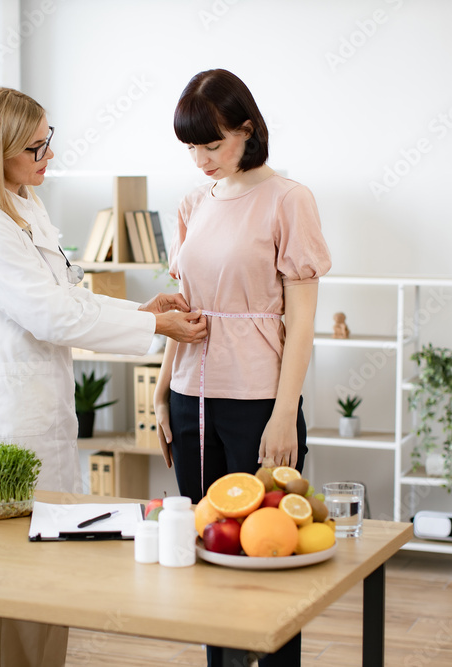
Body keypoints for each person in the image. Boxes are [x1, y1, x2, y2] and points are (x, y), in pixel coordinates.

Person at [0, 86, 207, 667]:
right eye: (36, 148)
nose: (49, 158)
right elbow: (52, 316)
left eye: (48, 143)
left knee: (47, 576)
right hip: (4, 423)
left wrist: (144, 312)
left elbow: (69, 294)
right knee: (2, 585)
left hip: (45, 412)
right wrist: (157, 329)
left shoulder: (23, 205)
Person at [153, 69, 332, 667]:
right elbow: (184, 310)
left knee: (270, 552)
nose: (201, 160)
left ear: (247, 129)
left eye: (213, 144)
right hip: (188, 395)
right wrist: (160, 395)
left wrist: (285, 416)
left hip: (259, 399)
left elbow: (301, 323)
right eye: (191, 149)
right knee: (208, 548)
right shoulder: (191, 203)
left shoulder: (288, 199)